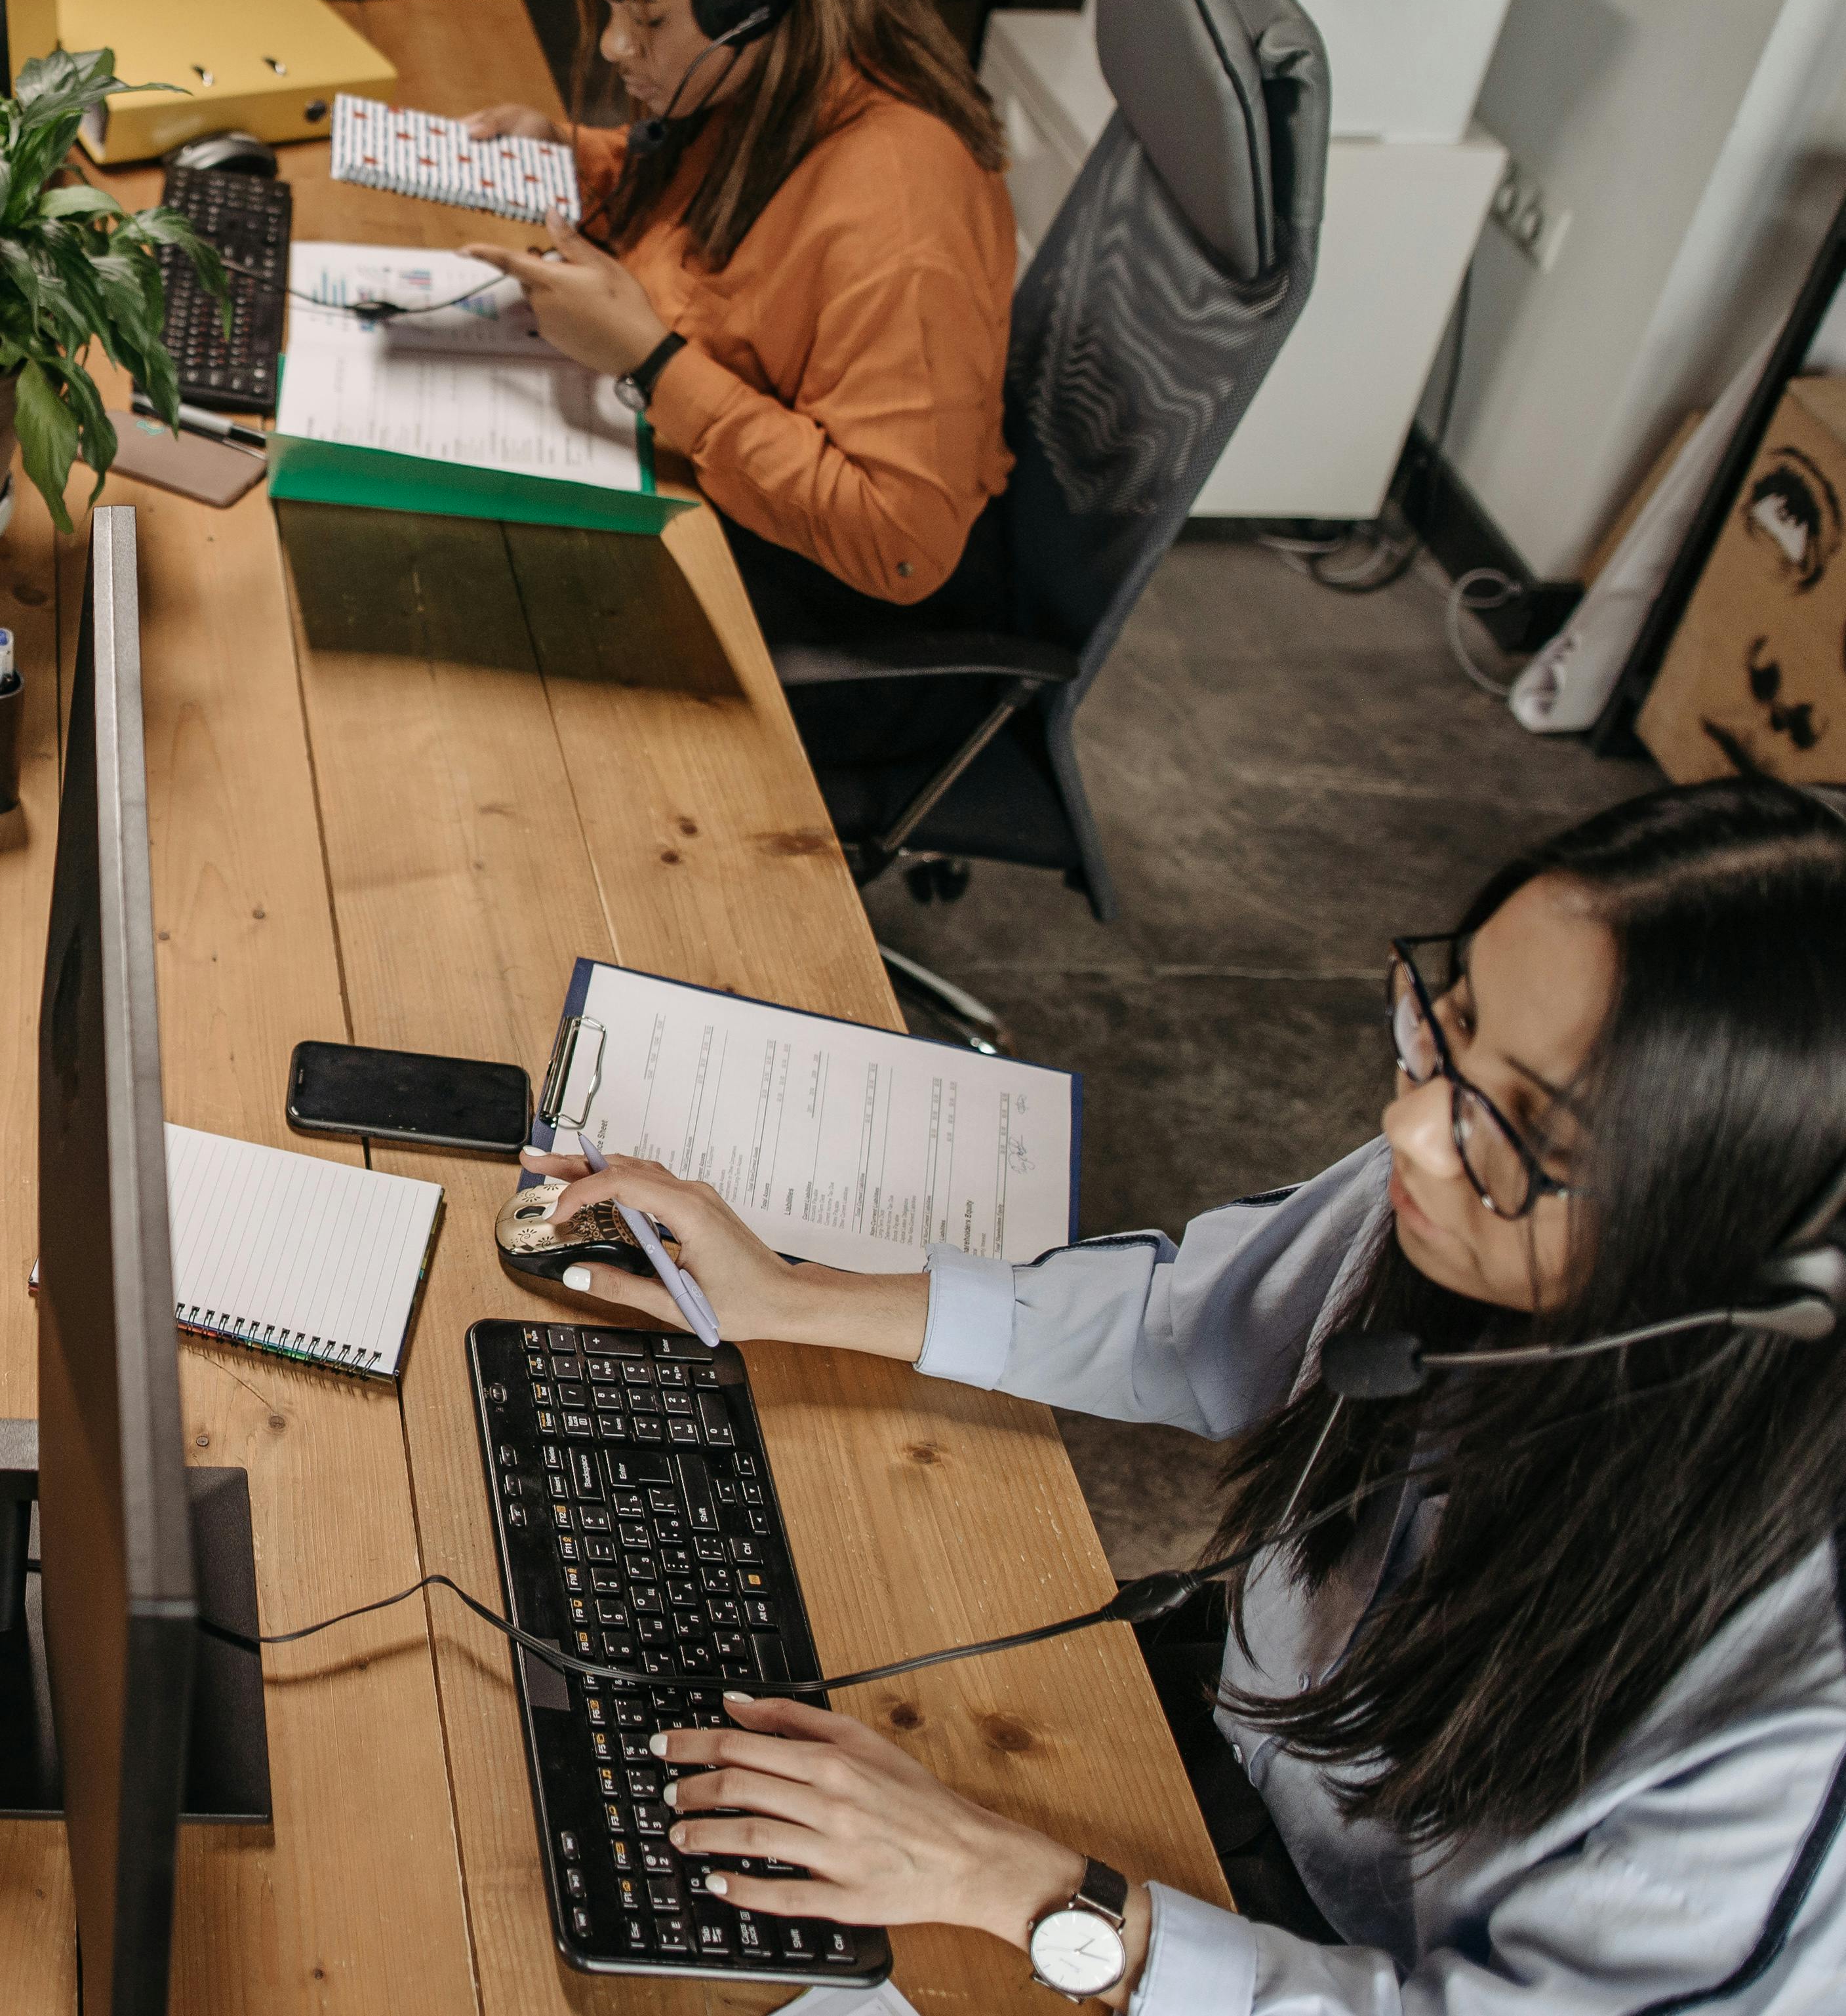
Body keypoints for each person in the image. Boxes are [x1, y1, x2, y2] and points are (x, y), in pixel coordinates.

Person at [525, 775, 1846, 2012]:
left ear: (1753, 1256)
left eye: (1527, 1131)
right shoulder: (1461, 1182)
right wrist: (795, 1298)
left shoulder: (1799, 1741)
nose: (1410, 1130)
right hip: (1222, 1758)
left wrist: (1023, 1890)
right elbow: (1194, 1326)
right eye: (1450, 1026)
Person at [461, 0, 1016, 619]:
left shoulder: (897, 208)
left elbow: (903, 547)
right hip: (717, 501)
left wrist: (650, 363)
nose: (612, 46)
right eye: (609, 6)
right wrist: (577, 161)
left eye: (643, 15)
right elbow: (707, 224)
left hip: (819, 599)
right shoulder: (766, 84)